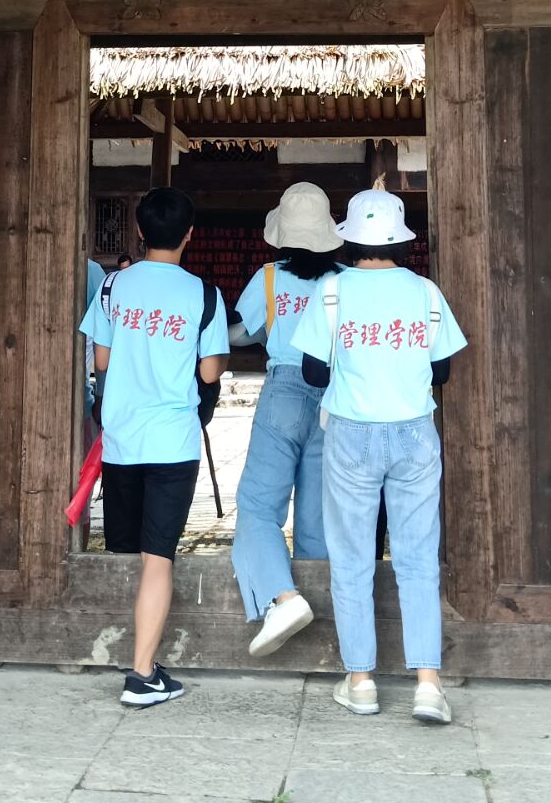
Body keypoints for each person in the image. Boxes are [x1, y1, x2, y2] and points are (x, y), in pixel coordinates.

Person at [296, 188, 467, 725]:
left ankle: (362, 681)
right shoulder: (425, 292)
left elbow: (313, 372)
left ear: (349, 239)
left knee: (352, 558)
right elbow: (442, 371)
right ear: (400, 241)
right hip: (415, 433)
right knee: (418, 558)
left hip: (351, 434)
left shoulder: (331, 291)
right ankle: (428, 685)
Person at [79, 187, 229, 707]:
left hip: (121, 440)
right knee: (158, 556)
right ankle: (142, 675)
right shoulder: (204, 294)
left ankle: (120, 648)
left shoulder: (113, 286)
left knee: (122, 548)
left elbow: (101, 360)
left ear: (140, 231)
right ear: (190, 235)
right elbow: (209, 372)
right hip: (173, 443)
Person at [229, 182, 342, 656]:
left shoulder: (270, 277)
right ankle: (322, 627)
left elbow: (241, 333)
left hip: (284, 391)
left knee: (258, 506)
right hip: (335, 395)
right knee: (319, 513)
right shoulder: (344, 281)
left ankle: (284, 597)